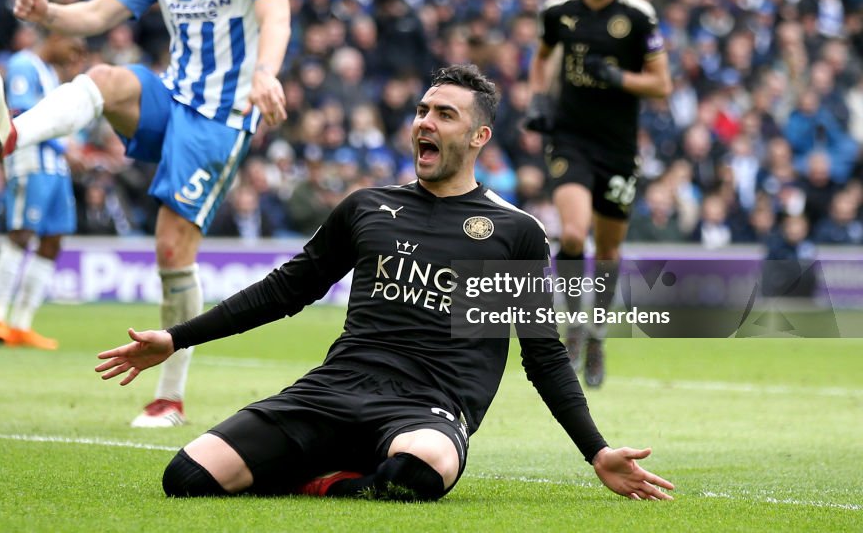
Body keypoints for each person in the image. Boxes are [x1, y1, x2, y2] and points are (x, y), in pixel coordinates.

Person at [96, 65, 674, 502]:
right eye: (423, 111)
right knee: (187, 478)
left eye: (445, 114)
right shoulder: (367, 207)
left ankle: (324, 485)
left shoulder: (513, 231)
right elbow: (283, 291)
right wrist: (175, 339)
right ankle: (333, 470)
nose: (425, 122)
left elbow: (543, 356)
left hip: (427, 409)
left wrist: (596, 451)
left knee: (417, 471)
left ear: (479, 137)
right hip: (333, 390)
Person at [0, 0, 291, 427]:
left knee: (171, 248)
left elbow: (276, 19)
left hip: (221, 118)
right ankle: (11, 134)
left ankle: (169, 396)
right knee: (105, 79)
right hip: (171, 97)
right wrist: (48, 13)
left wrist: (266, 72)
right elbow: (95, 15)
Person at [523, 0, 672, 388]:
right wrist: (539, 101)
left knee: (607, 249)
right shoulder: (558, 13)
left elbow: (662, 84)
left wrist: (617, 78)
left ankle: (598, 333)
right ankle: (573, 325)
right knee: (571, 234)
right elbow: (542, 57)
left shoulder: (640, 17)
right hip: (570, 139)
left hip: (618, 148)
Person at [0, 33, 86, 350]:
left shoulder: (51, 73)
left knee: (53, 240)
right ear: (53, 36)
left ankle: (22, 324)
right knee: (22, 233)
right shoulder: (24, 64)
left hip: (56, 168)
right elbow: (22, 112)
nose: (75, 57)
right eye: (73, 47)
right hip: (31, 163)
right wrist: (64, 147)